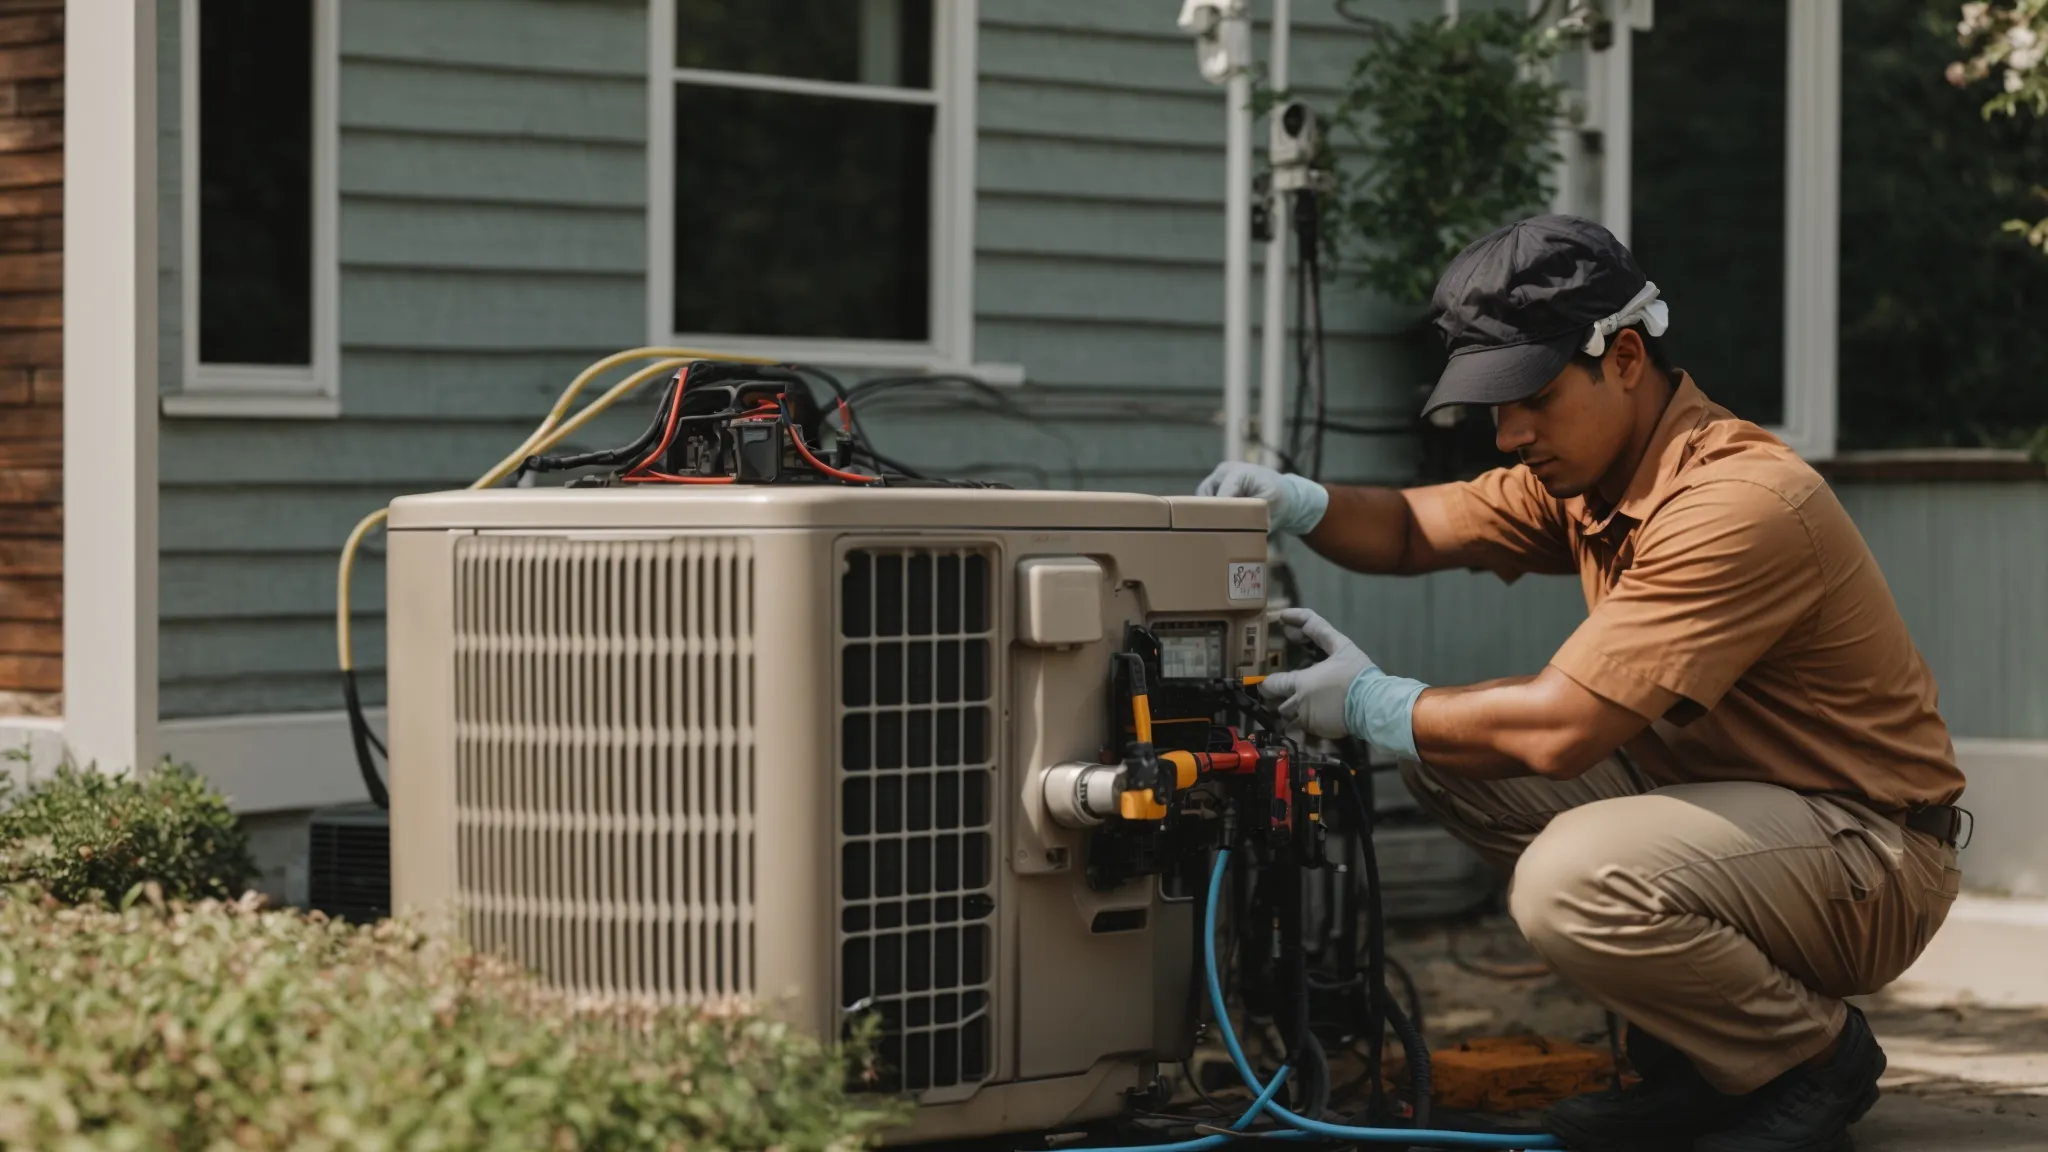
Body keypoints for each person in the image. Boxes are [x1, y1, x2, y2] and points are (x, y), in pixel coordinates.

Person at [1199, 215, 1966, 1152]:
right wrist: (1298, 501)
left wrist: (1371, 704)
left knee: (1573, 878)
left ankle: (1810, 1059)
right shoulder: (1595, 474)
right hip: (1753, 819)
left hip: (1868, 859)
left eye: (1532, 395)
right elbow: (1409, 528)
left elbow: (1559, 732)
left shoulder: (1738, 503)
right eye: (1492, 402)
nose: (1511, 431)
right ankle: (1703, 1064)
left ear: (1627, 357)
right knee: (1455, 758)